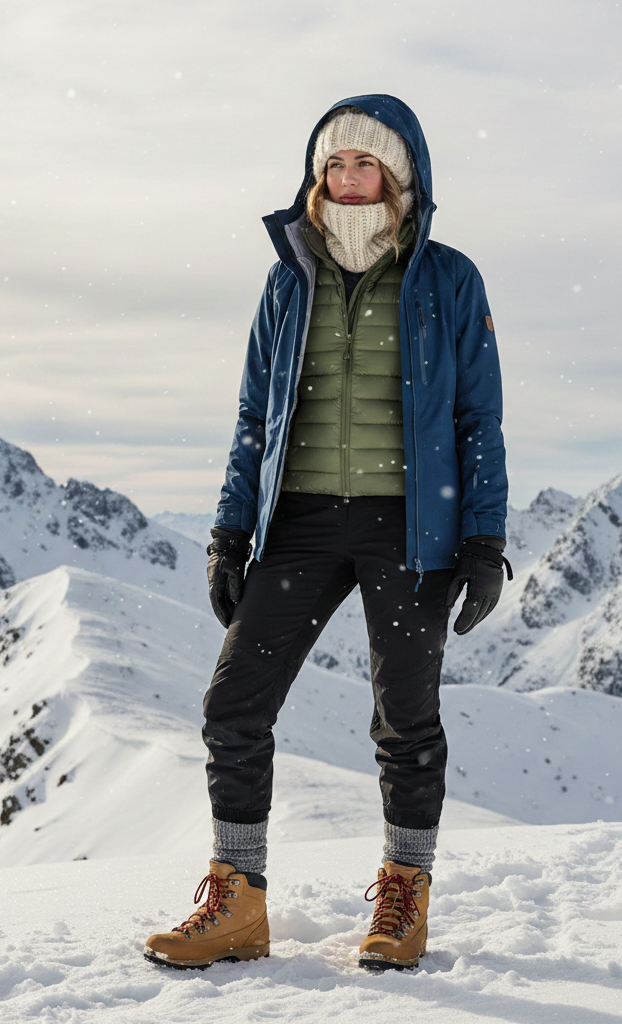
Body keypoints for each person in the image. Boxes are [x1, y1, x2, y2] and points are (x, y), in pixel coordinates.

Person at [144, 94, 510, 972]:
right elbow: (253, 419)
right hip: (299, 522)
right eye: (333, 164)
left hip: (411, 527)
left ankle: (403, 898)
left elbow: (478, 419)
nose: (348, 178)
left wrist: (484, 540)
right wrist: (230, 532)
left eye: (365, 162)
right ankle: (238, 901)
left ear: (400, 174)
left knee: (405, 722)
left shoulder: (448, 278)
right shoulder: (289, 278)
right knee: (234, 707)